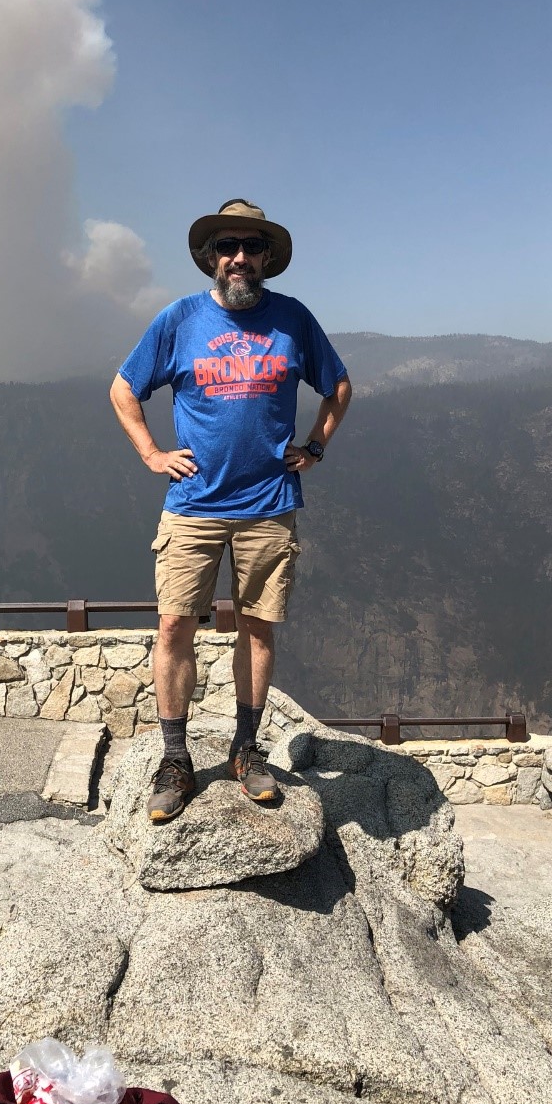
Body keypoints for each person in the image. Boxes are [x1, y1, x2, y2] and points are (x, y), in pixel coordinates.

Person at [110, 199, 352, 822]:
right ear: (212, 257)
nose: (238, 257)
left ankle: (248, 750)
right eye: (227, 247)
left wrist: (316, 447)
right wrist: (152, 454)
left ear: (267, 257)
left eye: (250, 246)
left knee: (258, 626)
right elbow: (123, 388)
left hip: (268, 506)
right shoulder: (179, 318)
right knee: (173, 627)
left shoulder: (292, 320)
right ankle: (175, 758)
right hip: (192, 504)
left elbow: (339, 385)